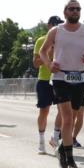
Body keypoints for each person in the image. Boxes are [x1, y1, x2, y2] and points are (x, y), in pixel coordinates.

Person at [39, 1, 84, 168]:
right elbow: (43, 52)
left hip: (79, 78)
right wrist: (49, 64)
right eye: (72, 9)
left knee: (73, 118)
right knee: (67, 119)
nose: (75, 11)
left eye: (78, 9)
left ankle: (61, 147)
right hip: (61, 78)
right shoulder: (56, 31)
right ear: (65, 12)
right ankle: (71, 162)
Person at [33, 16, 65, 154]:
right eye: (54, 25)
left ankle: (55, 137)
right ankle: (41, 140)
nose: (57, 27)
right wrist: (47, 55)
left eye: (59, 25)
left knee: (63, 111)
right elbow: (35, 63)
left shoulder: (63, 41)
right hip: (45, 80)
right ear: (49, 26)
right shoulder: (41, 41)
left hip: (60, 79)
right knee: (44, 111)